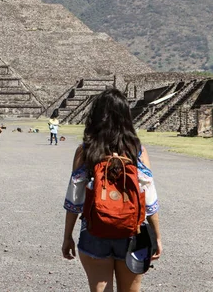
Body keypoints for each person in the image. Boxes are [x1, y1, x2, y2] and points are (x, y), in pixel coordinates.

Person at [62, 88, 162, 292]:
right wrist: (157, 237)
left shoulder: (86, 150)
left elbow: (74, 199)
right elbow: (149, 199)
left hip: (94, 229)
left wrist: (67, 236)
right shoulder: (137, 150)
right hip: (132, 231)